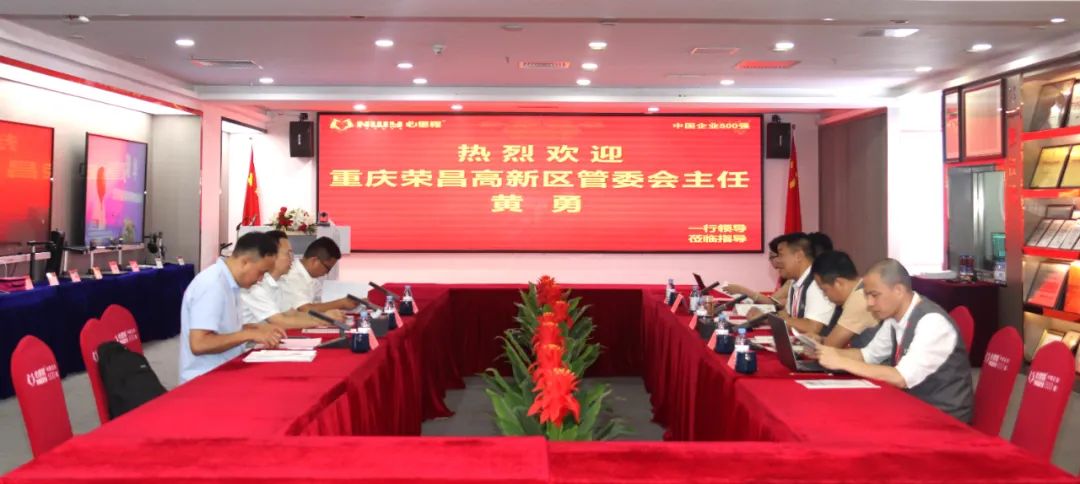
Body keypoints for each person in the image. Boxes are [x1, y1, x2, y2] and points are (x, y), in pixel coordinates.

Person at [816, 259, 974, 422]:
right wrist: (826, 352)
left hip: (943, 418)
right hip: (912, 406)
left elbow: (900, 378)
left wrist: (842, 362)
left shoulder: (932, 322)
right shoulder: (893, 317)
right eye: (866, 296)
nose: (869, 303)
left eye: (874, 295)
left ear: (898, 290)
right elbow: (867, 355)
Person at [178, 232, 286, 384]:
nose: (261, 279)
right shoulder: (213, 284)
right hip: (205, 381)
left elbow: (222, 330)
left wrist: (256, 328)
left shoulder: (231, 283)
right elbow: (199, 343)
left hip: (224, 372)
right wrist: (248, 334)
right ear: (245, 262)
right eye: (261, 272)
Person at [240, 230, 343, 329]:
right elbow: (280, 321)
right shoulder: (255, 285)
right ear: (271, 255)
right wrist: (324, 319)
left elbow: (291, 314)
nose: (292, 259)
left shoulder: (280, 282)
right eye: (288, 254)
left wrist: (324, 316)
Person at [748, 232, 835, 334]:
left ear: (798, 256)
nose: (778, 261)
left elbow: (812, 327)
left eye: (781, 255)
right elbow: (787, 315)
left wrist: (768, 319)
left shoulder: (817, 282)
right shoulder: (795, 281)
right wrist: (763, 316)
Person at [809, 251, 879, 348]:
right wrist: (820, 339)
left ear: (839, 283)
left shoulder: (859, 298)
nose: (825, 295)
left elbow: (829, 347)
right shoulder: (861, 289)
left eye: (824, 290)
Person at [278, 236, 358, 312]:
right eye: (327, 268)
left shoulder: (310, 277)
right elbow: (305, 309)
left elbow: (322, 300)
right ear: (314, 261)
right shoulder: (293, 276)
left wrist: (350, 300)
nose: (327, 273)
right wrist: (340, 303)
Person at [723, 234, 791, 308]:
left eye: (772, 256)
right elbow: (775, 302)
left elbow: (771, 303)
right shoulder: (784, 277)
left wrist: (741, 290)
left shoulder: (793, 280)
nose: (770, 260)